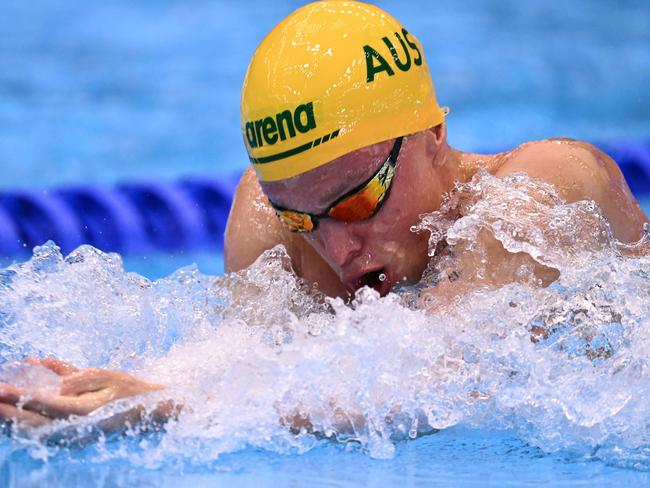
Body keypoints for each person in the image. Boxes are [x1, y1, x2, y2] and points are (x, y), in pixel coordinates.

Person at [0, 0, 647, 432]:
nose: (338, 252)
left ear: (432, 134)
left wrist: (174, 407)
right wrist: (111, 397)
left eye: (359, 201)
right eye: (304, 218)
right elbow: (247, 361)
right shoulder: (268, 222)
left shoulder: (544, 190)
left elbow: (440, 379)